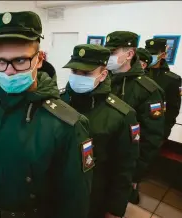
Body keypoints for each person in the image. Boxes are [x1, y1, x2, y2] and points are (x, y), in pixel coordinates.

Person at [0, 11, 93, 218]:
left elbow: (74, 200)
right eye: (0, 61)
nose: (9, 71)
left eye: (20, 61)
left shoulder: (65, 124)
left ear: (39, 59)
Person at [60, 44, 139, 218]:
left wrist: (115, 209)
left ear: (103, 75)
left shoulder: (120, 115)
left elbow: (124, 168)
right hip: (57, 193)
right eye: (74, 72)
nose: (78, 78)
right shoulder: (58, 102)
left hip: (94, 197)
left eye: (87, 74)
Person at [104, 31, 165, 204]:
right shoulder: (103, 78)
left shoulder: (147, 90)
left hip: (123, 166)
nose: (107, 57)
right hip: (101, 159)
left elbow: (151, 138)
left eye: (112, 53)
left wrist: (134, 175)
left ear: (129, 54)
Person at [145, 38, 182, 140]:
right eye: (148, 53)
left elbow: (172, 111)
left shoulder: (172, 79)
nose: (150, 56)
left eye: (154, 53)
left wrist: (163, 135)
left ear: (163, 54)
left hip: (154, 132)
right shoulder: (138, 74)